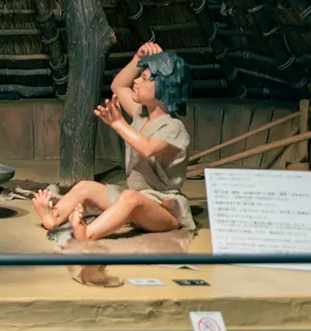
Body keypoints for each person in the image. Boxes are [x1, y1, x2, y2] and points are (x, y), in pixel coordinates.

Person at [33, 42, 195, 240]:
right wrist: (138, 58)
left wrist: (118, 123)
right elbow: (118, 86)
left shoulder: (173, 128)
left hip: (165, 209)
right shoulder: (140, 115)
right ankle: (54, 216)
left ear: (162, 88)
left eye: (143, 78)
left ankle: (88, 233)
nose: (136, 81)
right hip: (134, 198)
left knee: (130, 197)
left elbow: (148, 148)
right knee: (85, 186)